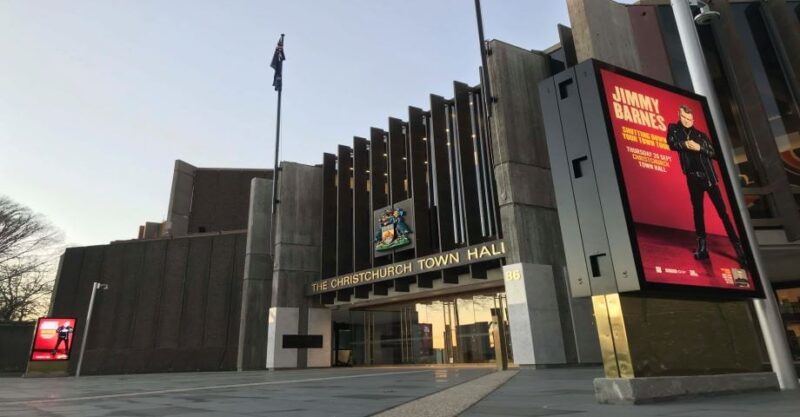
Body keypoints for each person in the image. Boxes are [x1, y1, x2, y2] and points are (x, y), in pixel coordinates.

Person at [666, 105, 746, 266]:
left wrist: (699, 148)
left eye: (689, 119)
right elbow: (671, 143)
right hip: (692, 178)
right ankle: (702, 248)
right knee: (698, 211)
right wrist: (684, 145)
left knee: (722, 213)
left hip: (709, 178)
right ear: (679, 116)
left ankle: (739, 249)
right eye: (684, 118)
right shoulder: (675, 129)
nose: (686, 121)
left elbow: (715, 153)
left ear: (693, 119)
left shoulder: (701, 135)